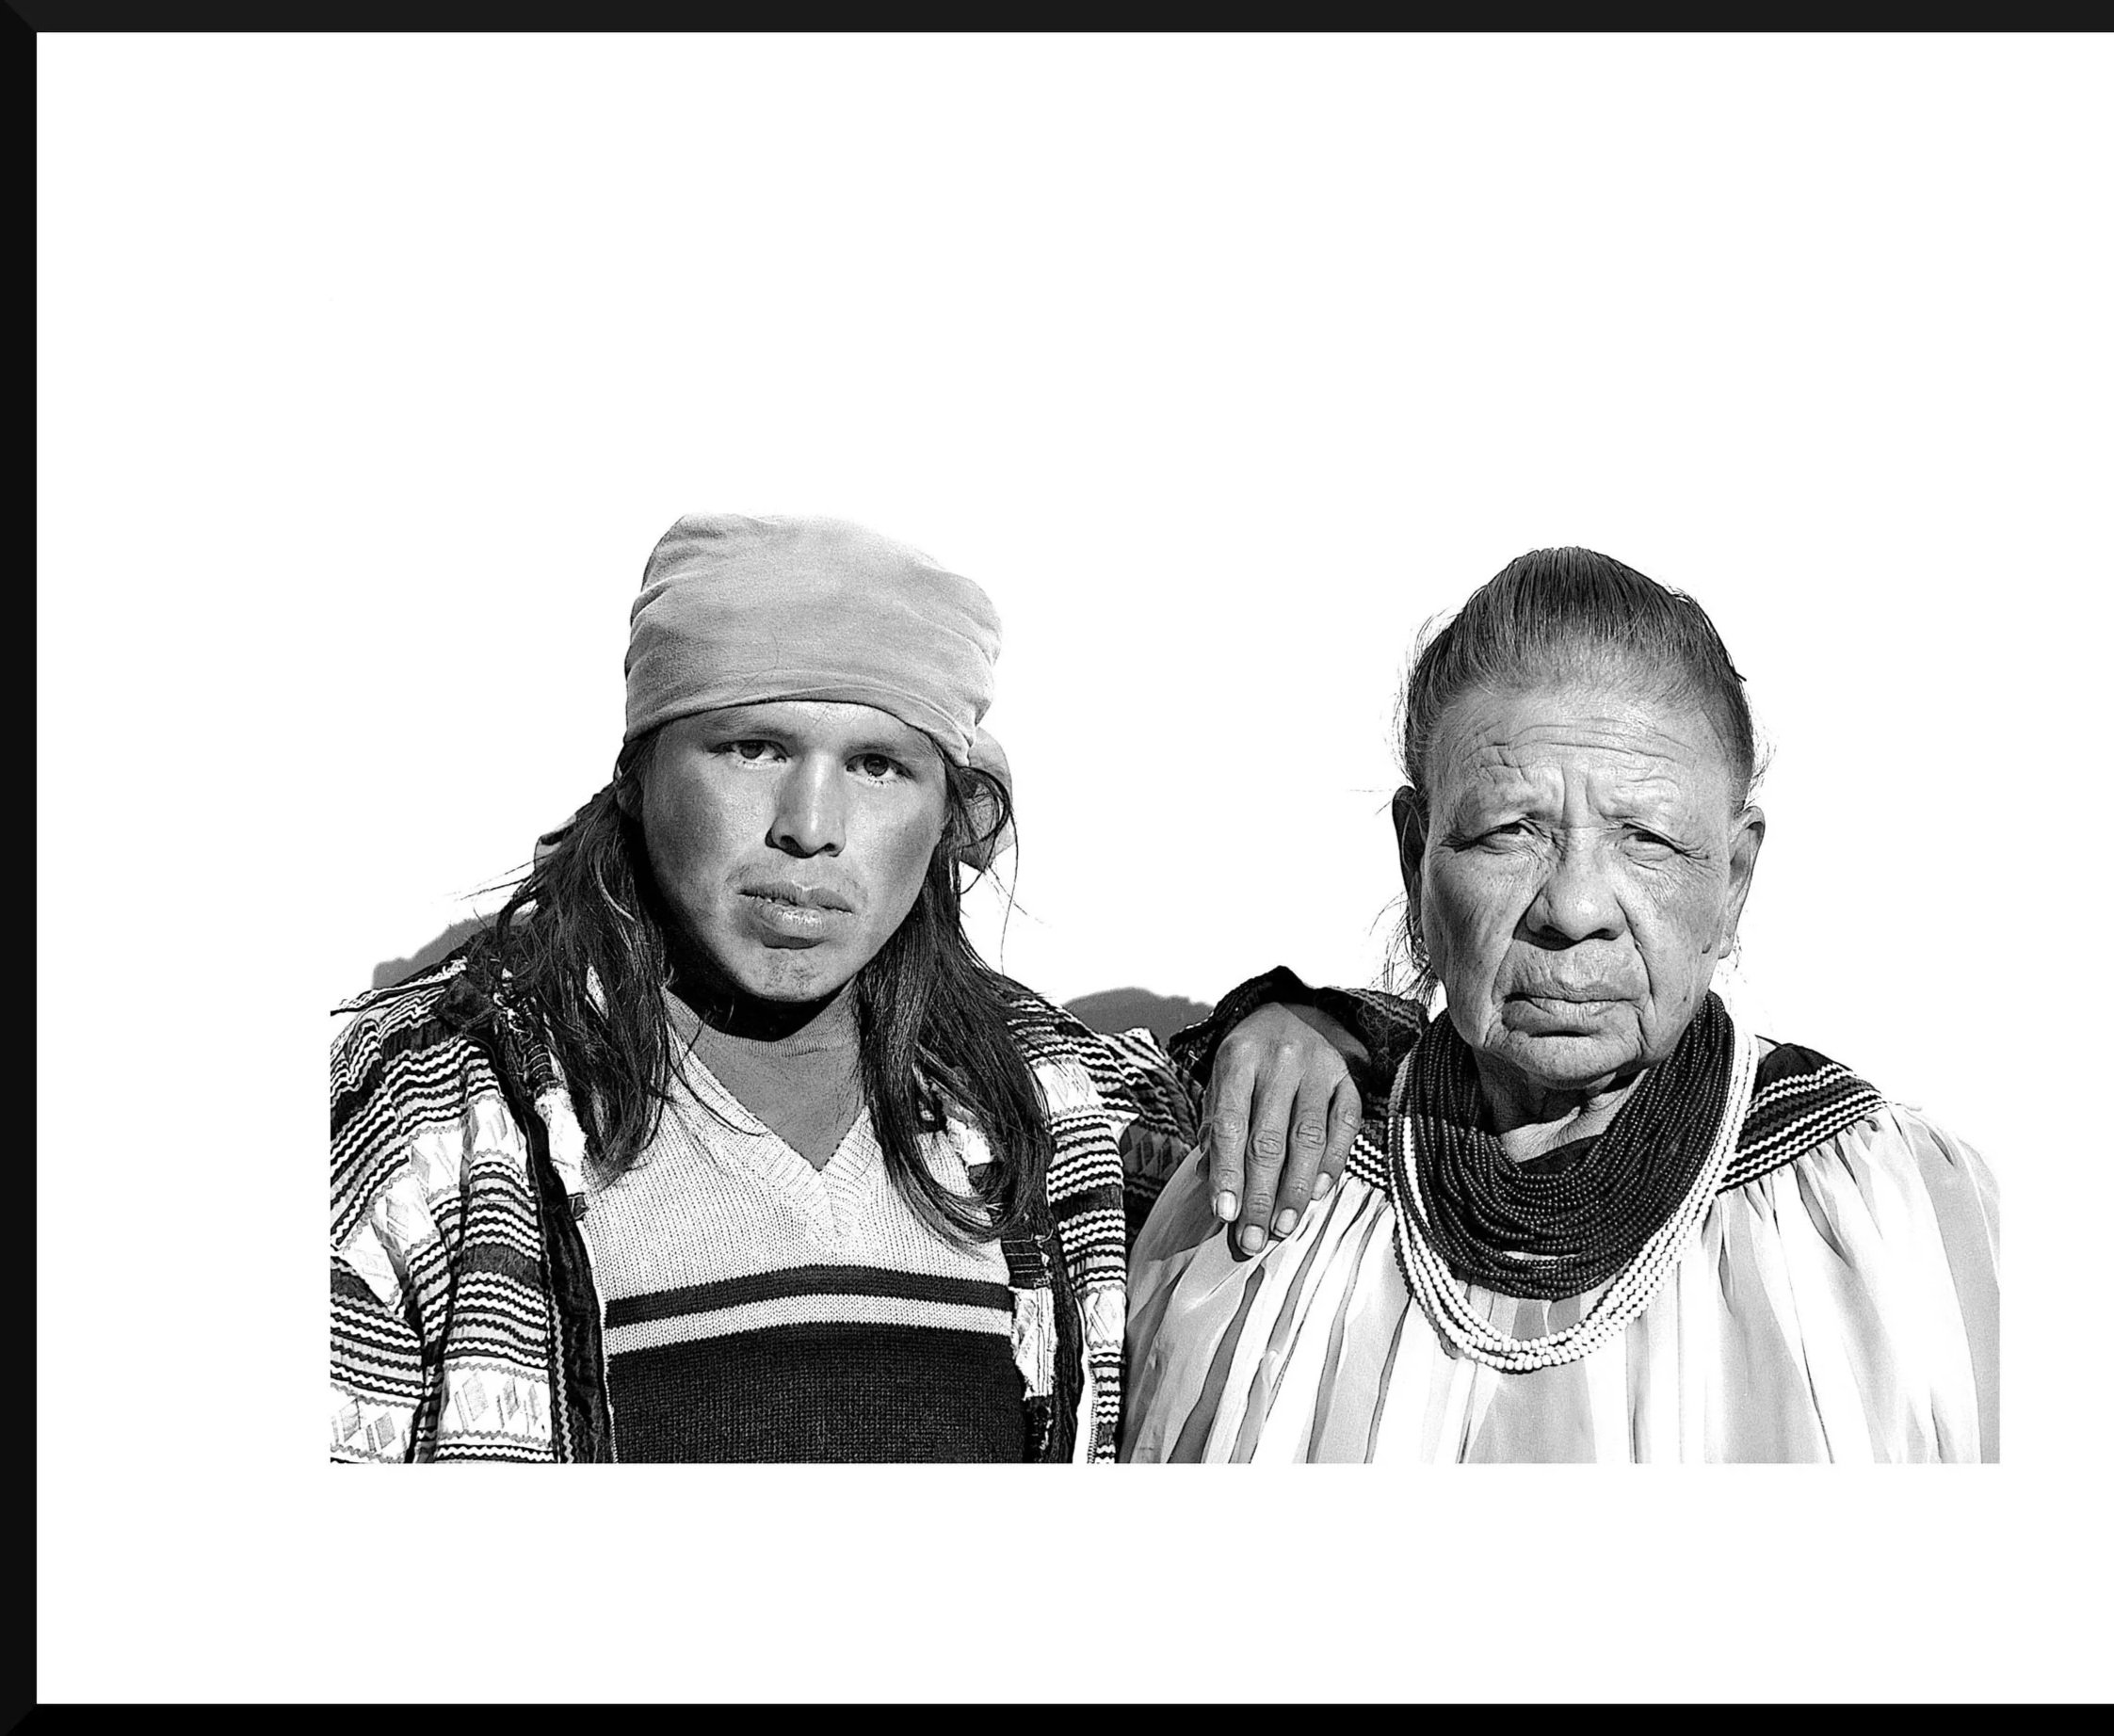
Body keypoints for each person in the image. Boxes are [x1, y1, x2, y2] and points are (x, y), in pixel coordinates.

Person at [329, 512, 1380, 1463]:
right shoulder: (431, 1116)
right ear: (639, 775)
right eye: (752, 746)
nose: (810, 823)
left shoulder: (1030, 1095)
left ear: (945, 813)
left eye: (879, 765)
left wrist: (1305, 1021)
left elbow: (1405, 1090)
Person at [1123, 547, 2001, 1463]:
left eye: (1647, 839)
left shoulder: (1897, 1227)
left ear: (1733, 877)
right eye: (1510, 831)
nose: (1573, 908)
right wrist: (1287, 1012)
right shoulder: (1268, 1199)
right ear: (1414, 853)